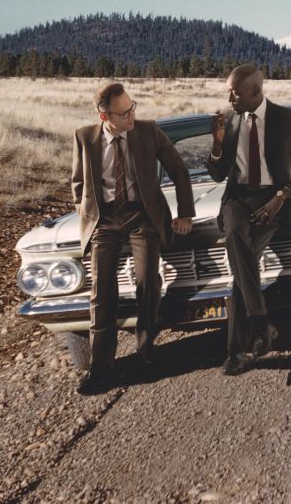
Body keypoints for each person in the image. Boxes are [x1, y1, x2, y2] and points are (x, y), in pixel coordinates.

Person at [72, 83, 195, 394]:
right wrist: (87, 214)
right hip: (105, 221)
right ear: (104, 116)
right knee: (101, 291)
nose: (132, 115)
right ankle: (100, 368)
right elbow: (77, 184)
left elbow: (179, 170)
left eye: (133, 107)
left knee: (147, 282)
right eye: (125, 112)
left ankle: (147, 350)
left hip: (144, 216)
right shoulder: (84, 137)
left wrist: (184, 214)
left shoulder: (149, 131)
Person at [208, 64, 291, 375]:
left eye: (235, 93)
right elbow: (218, 174)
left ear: (255, 91)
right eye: (228, 92)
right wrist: (218, 143)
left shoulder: (288, 120)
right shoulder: (229, 120)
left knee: (240, 267)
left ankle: (236, 353)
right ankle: (261, 325)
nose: (229, 98)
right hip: (237, 199)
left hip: (273, 200)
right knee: (236, 239)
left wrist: (285, 194)